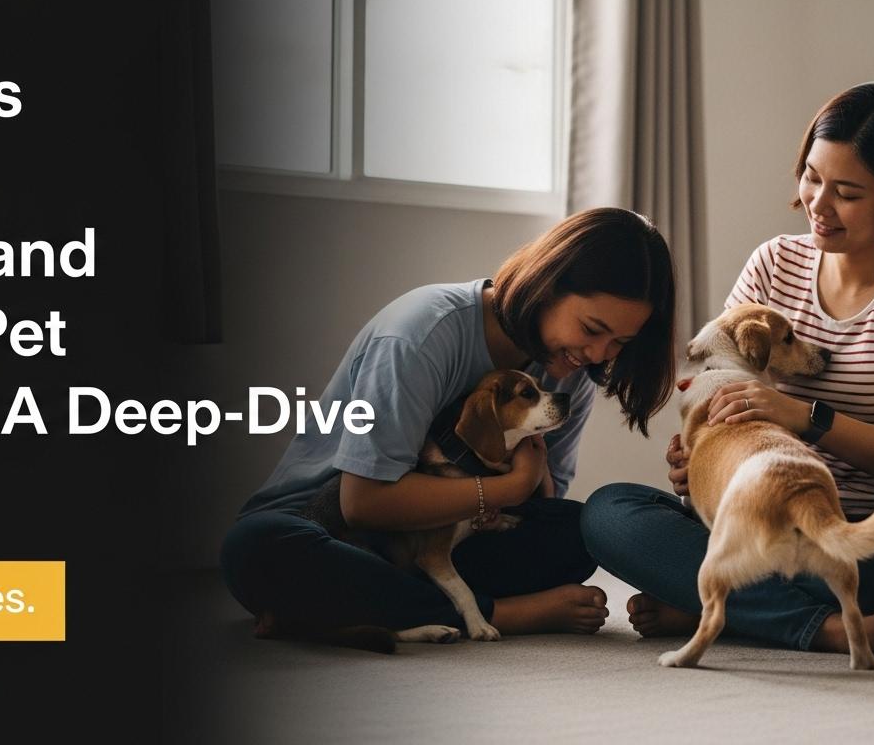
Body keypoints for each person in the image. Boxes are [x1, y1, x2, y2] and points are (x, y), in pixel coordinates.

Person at [582, 82, 874, 664]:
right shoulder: (774, 263)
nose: (817, 204)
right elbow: (713, 385)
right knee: (608, 510)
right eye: (811, 176)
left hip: (871, 534)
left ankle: (721, 604)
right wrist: (700, 459)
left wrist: (807, 418)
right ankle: (823, 624)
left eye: (846, 192)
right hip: (760, 518)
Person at [221, 207, 676, 638]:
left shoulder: (568, 370)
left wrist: (523, 491)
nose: (597, 354)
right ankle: (501, 614)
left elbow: (540, 504)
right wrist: (508, 488)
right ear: (547, 285)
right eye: (592, 329)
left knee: (578, 531)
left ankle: (344, 610)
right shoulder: (421, 334)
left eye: (619, 342)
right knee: (256, 547)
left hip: (450, 541)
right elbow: (361, 503)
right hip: (332, 530)